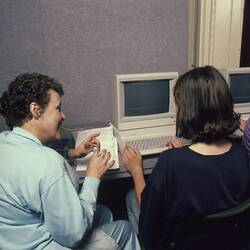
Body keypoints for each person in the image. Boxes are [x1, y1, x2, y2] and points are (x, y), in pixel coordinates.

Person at [0, 73, 140, 250]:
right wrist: (92, 177)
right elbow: (73, 235)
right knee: (124, 228)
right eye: (58, 109)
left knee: (103, 213)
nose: (63, 116)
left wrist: (73, 153)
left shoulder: (5, 140)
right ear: (35, 110)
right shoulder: (48, 163)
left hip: (13, 238)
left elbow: (28, 161)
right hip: (45, 244)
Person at [122, 65, 250, 250]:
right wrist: (184, 153)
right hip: (224, 242)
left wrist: (136, 171)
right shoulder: (242, 155)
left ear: (189, 110)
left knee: (130, 197)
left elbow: (149, 217)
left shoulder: (171, 163)